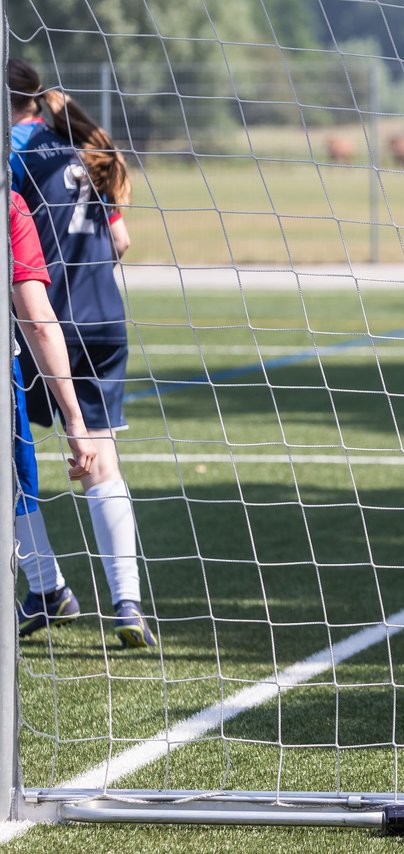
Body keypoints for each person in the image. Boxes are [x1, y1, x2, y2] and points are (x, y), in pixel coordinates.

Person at [8, 59, 153, 647]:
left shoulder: (13, 153)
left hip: (47, 321)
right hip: (104, 319)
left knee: (10, 462)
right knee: (103, 457)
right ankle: (128, 605)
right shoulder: (83, 147)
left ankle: (46, 585)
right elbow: (120, 239)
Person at [9, 191, 99, 638]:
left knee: (16, 484)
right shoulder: (9, 201)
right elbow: (38, 321)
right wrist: (75, 421)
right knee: (15, 483)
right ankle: (47, 588)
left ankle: (47, 588)